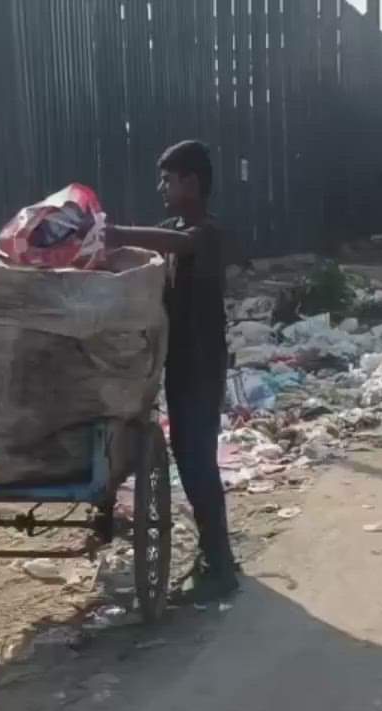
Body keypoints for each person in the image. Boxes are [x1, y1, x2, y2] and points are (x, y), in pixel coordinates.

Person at [104, 140, 238, 604]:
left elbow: (179, 245)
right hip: (179, 361)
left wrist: (118, 232)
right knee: (189, 457)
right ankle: (214, 556)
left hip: (201, 364)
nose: (161, 186)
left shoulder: (206, 233)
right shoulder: (172, 228)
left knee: (197, 461)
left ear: (192, 183)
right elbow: (153, 247)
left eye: (168, 178)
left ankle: (221, 568)